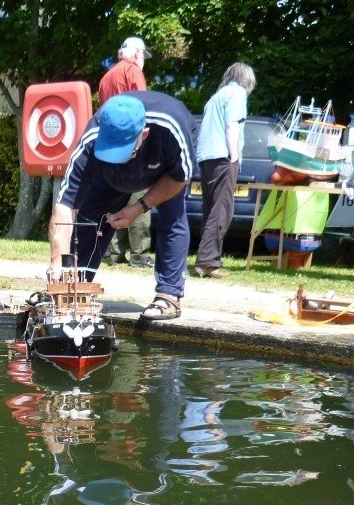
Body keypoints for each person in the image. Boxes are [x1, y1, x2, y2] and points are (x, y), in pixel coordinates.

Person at [47, 91, 197, 320]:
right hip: (108, 178)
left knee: (173, 216)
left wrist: (140, 207)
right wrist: (58, 258)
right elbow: (65, 207)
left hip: (165, 171)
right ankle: (73, 288)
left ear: (143, 134)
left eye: (124, 152)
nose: (118, 159)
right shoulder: (92, 138)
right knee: (85, 217)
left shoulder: (171, 127)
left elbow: (179, 178)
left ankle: (168, 296)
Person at [194, 62, 257, 278]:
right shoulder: (237, 94)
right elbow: (232, 126)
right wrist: (235, 156)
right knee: (222, 209)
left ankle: (207, 259)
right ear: (247, 80)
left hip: (206, 157)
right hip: (223, 156)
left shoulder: (217, 96)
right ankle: (208, 262)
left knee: (211, 209)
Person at [99, 37, 154, 269]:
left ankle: (113, 252)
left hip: (112, 145)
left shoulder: (106, 77)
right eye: (143, 56)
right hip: (134, 141)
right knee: (139, 196)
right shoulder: (133, 72)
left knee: (114, 194)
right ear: (137, 54)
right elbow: (143, 108)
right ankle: (140, 254)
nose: (144, 62)